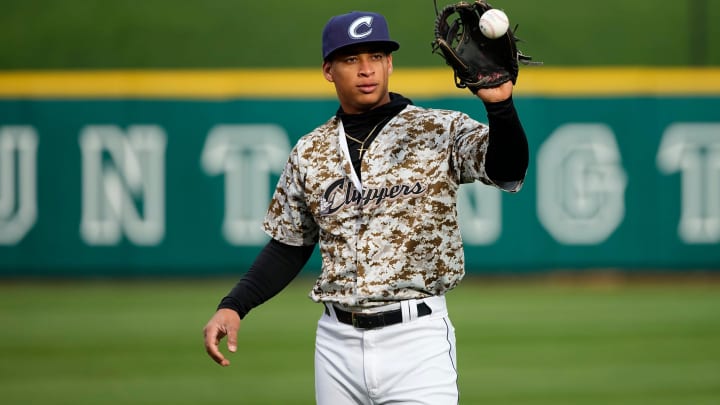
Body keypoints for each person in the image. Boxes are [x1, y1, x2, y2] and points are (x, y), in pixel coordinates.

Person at [204, 10, 528, 404]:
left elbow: (507, 168)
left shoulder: (440, 129)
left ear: (390, 62)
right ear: (328, 70)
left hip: (417, 340)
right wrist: (234, 305)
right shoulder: (310, 151)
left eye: (376, 56)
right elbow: (290, 245)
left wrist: (500, 107)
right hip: (336, 345)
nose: (366, 69)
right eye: (351, 59)